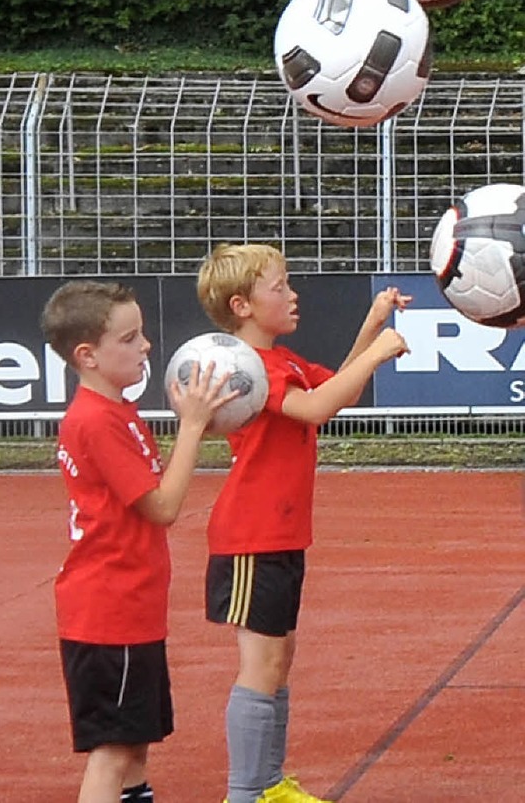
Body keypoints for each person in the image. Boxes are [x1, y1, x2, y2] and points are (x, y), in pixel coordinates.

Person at [195, 243, 410, 803]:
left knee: (279, 659)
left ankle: (269, 785)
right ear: (242, 305)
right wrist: (377, 351)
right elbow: (313, 410)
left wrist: (371, 326)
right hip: (251, 535)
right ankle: (246, 792)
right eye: (279, 287)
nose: (292, 295)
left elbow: (337, 392)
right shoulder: (251, 367)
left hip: (281, 533)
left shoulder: (283, 361)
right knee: (261, 664)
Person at [39, 279, 237, 803]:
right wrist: (191, 428)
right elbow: (163, 507)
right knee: (113, 751)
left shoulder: (118, 413)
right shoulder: (96, 420)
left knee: (135, 746)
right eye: (129, 339)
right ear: (88, 355)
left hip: (128, 607)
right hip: (109, 610)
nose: (145, 346)